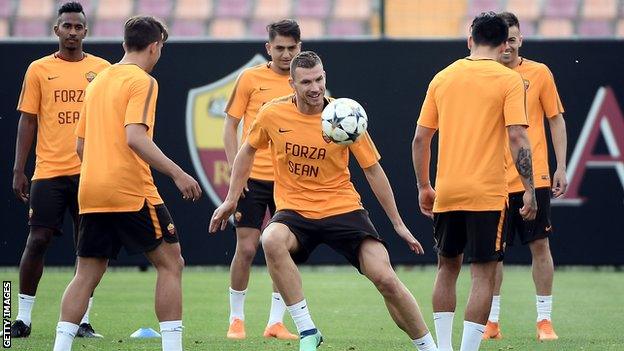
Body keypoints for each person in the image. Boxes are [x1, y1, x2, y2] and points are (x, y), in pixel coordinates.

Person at [211, 51, 438, 351]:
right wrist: (230, 198)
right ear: (292, 83)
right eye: (306, 82)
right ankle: (308, 331)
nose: (315, 87)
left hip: (343, 208)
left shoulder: (345, 116)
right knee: (271, 239)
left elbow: (373, 171)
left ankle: (429, 348)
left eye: (319, 79)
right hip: (294, 211)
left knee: (386, 279)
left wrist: (398, 224)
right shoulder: (271, 114)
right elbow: (247, 152)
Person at [52, 16, 201, 351]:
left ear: (124, 45)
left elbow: (79, 145)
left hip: (90, 189)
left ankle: (60, 348)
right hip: (130, 190)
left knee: (86, 273)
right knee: (171, 262)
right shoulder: (143, 82)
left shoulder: (98, 81)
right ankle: (172, 348)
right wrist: (178, 173)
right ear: (155, 46)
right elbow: (135, 137)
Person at [412, 12, 537, 351]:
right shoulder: (509, 80)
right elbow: (517, 137)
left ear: (470, 41)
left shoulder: (443, 77)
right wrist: (528, 188)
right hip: (487, 194)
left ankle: (443, 347)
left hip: (448, 191)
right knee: (483, 273)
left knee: (446, 268)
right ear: (503, 44)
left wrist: (424, 186)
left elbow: (421, 139)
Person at [11, 1, 109, 339]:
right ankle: (21, 317)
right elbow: (28, 119)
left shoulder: (102, 69)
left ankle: (82, 321)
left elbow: (111, 121)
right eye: (66, 26)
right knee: (37, 240)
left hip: (90, 171)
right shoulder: (39, 69)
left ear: (86, 30)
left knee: (89, 248)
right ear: (56, 30)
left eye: (78, 27)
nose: (72, 32)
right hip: (49, 171)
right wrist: (18, 169)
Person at [482, 11, 567, 342]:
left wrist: (561, 165)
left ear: (520, 40)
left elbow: (555, 119)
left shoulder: (539, 73)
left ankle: (544, 320)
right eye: (504, 39)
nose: (508, 44)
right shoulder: (483, 75)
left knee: (540, 245)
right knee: (493, 253)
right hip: (492, 178)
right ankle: (492, 321)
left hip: (535, 177)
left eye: (513, 38)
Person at [222, 19, 301, 340]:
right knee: (247, 248)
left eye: (291, 48)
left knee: (284, 250)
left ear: (300, 48)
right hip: (253, 177)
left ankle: (275, 322)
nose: (285, 54)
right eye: (279, 48)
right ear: (268, 48)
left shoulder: (306, 82)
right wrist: (235, 172)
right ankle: (236, 320)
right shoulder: (250, 79)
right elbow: (230, 126)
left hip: (289, 180)